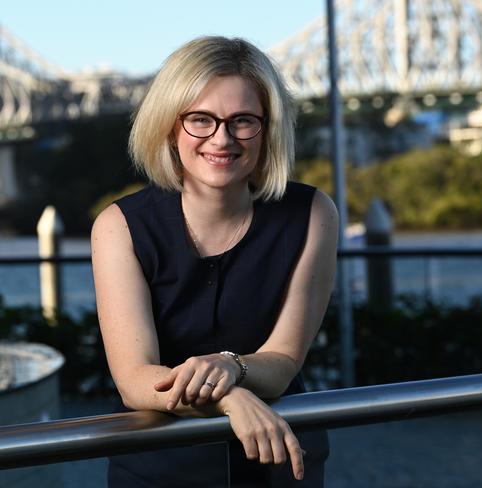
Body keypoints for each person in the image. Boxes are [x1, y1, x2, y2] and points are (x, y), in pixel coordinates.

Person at [91, 36, 338, 487]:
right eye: (200, 120)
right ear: (170, 127)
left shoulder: (312, 214)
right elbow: (134, 378)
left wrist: (230, 366)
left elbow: (282, 360)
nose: (221, 139)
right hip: (158, 467)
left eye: (242, 121)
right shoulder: (118, 226)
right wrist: (229, 399)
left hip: (277, 461)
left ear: (267, 128)